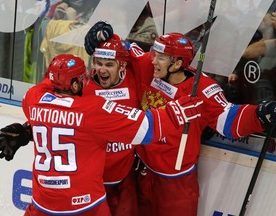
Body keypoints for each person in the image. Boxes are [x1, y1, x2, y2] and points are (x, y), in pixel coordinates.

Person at [84, 21, 276, 216]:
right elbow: (127, 50)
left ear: (176, 64)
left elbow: (229, 120)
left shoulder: (201, 89)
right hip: (141, 171)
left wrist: (261, 114)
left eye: (160, 58)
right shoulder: (148, 66)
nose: (152, 61)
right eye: (154, 54)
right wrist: (105, 35)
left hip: (175, 183)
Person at [0, 54, 203, 215]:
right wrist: (178, 111)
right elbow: (146, 130)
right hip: (85, 206)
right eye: (81, 78)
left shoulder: (33, 99)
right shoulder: (92, 110)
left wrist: (27, 131)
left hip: (42, 203)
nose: (86, 80)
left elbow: (49, 93)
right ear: (74, 84)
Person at [83, 34, 140, 216]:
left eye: (109, 65)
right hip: (92, 181)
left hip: (125, 178)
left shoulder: (135, 80)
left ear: (121, 66)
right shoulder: (82, 86)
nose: (102, 70)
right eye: (99, 63)